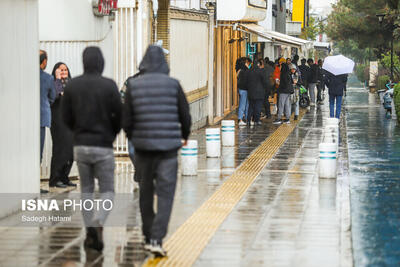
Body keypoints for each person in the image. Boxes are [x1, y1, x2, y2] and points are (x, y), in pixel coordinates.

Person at [122, 45, 191, 257]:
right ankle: (156, 238)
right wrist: (184, 136)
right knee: (165, 194)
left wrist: (134, 137)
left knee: (145, 192)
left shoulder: (133, 85)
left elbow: (126, 119)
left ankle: (147, 233)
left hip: (143, 149)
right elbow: (185, 115)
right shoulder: (173, 85)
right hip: (168, 149)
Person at [62, 46, 122, 251]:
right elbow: (119, 116)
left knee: (86, 190)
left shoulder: (72, 86)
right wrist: (111, 135)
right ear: (101, 62)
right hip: (103, 146)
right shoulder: (109, 86)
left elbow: (65, 118)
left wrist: (78, 132)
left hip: (81, 146)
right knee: (107, 190)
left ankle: (90, 231)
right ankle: (98, 222)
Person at [49, 62, 76, 188]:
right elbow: (55, 96)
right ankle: (55, 179)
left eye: (65, 69)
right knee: (60, 149)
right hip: (58, 121)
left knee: (70, 151)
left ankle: (65, 177)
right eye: (61, 70)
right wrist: (58, 79)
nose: (64, 71)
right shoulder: (53, 83)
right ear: (56, 71)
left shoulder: (72, 83)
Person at [39, 50, 56, 162]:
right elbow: (53, 97)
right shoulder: (49, 78)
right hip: (42, 118)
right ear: (44, 61)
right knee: (38, 149)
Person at [246, 58, 269, 126]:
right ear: (258, 64)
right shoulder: (261, 71)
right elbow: (265, 82)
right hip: (259, 92)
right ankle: (257, 120)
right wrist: (266, 89)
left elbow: (246, 82)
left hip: (251, 92)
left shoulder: (249, 71)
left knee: (251, 106)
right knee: (258, 106)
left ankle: (248, 120)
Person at [237, 58, 250, 126]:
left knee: (243, 104)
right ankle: (241, 119)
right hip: (245, 90)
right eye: (247, 63)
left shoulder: (239, 71)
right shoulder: (246, 71)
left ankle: (242, 118)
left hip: (241, 89)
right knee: (244, 104)